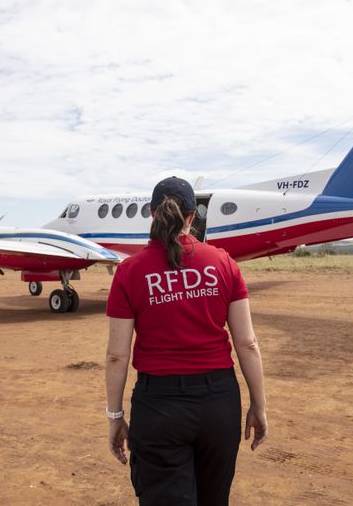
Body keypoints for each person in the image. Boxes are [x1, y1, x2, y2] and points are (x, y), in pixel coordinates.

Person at [104, 176, 268, 506]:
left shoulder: (130, 271)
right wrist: (258, 406)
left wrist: (115, 415)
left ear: (152, 213)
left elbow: (117, 356)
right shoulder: (224, 263)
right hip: (218, 404)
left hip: (159, 407)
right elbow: (247, 343)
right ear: (193, 216)